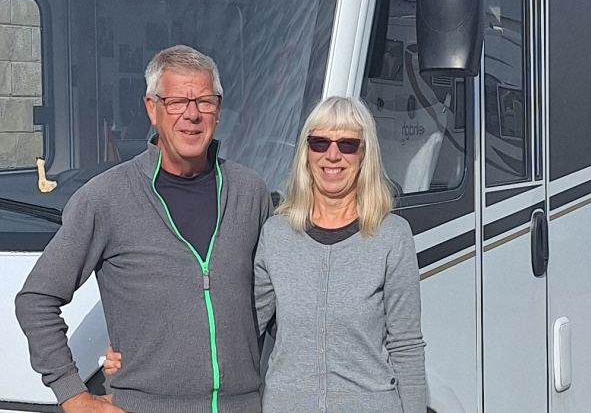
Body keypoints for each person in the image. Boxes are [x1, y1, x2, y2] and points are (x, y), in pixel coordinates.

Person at [15, 45, 272, 413]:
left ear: (218, 110)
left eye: (204, 101)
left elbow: (272, 298)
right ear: (152, 108)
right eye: (177, 102)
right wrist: (73, 396)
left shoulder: (250, 192)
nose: (192, 115)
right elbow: (36, 299)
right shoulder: (106, 198)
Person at [253, 96, 427, 413]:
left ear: (364, 154)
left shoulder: (392, 236)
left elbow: (406, 344)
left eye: (347, 144)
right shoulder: (276, 235)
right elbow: (247, 331)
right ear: (306, 153)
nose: (332, 155)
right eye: (319, 143)